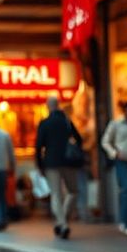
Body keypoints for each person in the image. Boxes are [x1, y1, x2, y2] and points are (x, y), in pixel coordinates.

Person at [34, 96, 84, 239]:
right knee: (73, 191)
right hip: (68, 161)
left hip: (51, 163)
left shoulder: (44, 123)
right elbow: (79, 139)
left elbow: (38, 146)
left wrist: (39, 165)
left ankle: (62, 223)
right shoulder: (66, 121)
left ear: (47, 106)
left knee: (56, 194)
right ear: (58, 105)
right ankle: (63, 220)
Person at [100, 96, 127, 235]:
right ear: (126, 110)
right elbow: (105, 141)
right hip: (123, 162)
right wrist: (114, 153)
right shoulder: (116, 124)